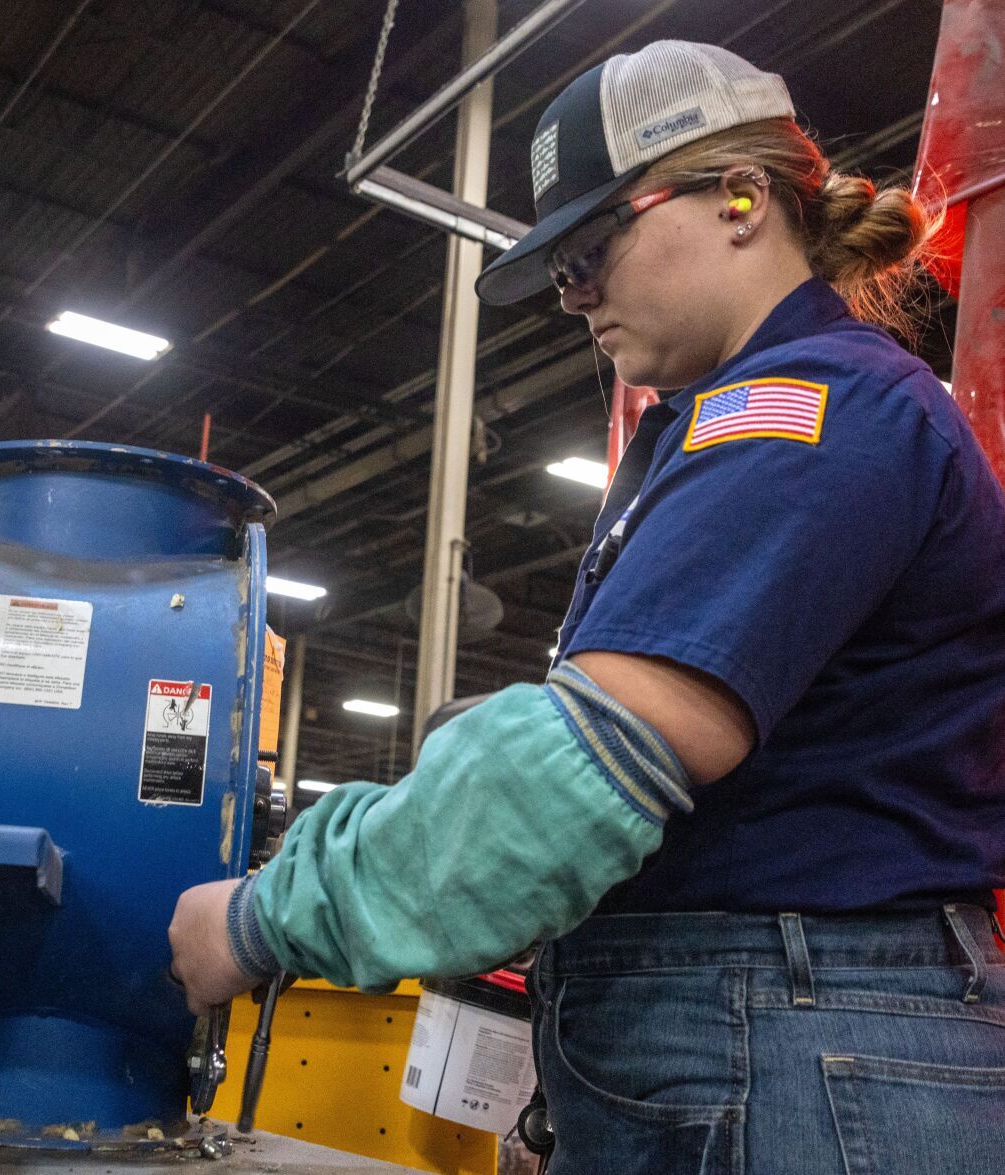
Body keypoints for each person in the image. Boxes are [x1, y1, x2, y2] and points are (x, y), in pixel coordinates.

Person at [167, 40, 1005, 1174]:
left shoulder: (806, 414)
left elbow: (580, 769)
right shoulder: (728, 427)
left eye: (591, 245)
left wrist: (264, 917)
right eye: (556, 271)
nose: (572, 297)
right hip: (761, 1030)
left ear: (742, 200)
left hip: (797, 1039)